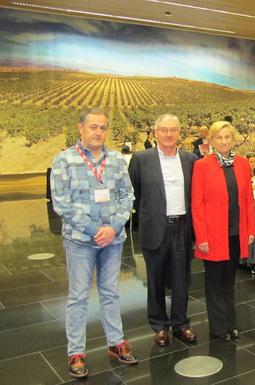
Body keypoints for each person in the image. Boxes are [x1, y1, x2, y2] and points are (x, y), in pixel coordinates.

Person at [51, 108, 137, 378]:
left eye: (103, 128)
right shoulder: (64, 160)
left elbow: (128, 196)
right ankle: (76, 352)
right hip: (80, 240)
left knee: (110, 293)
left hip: (112, 240)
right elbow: (61, 204)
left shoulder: (116, 160)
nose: (98, 132)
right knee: (78, 297)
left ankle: (116, 343)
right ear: (81, 128)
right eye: (93, 127)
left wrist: (112, 228)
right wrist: (93, 229)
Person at [128, 114, 197, 347]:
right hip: (155, 228)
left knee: (181, 280)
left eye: (173, 130)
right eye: (164, 130)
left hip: (182, 228)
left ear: (180, 133)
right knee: (155, 280)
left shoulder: (190, 159)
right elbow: (135, 193)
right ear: (155, 133)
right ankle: (159, 326)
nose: (168, 134)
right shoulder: (141, 159)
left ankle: (181, 324)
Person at [191, 121, 255, 340]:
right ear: (211, 140)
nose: (224, 141)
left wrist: (250, 230)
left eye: (227, 137)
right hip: (212, 234)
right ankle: (218, 327)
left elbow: (247, 200)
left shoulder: (241, 164)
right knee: (214, 282)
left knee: (229, 281)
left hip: (235, 232)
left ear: (233, 139)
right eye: (219, 137)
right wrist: (201, 237)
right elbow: (196, 204)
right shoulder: (202, 165)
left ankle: (231, 323)